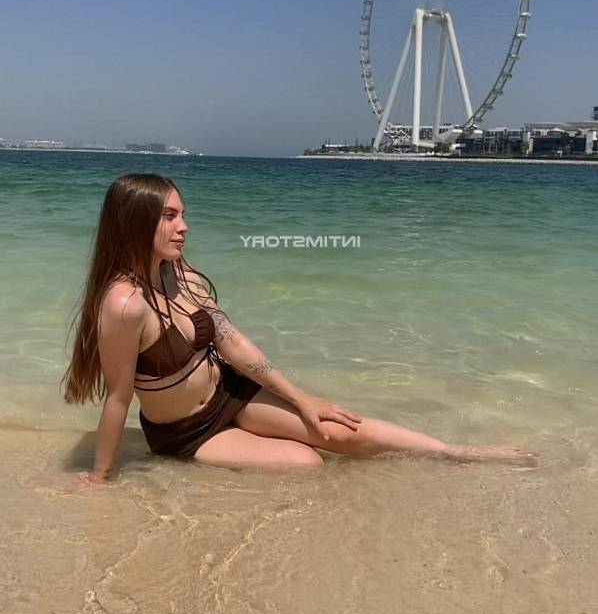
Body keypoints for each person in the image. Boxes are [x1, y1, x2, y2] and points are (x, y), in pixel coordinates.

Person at [62, 173, 537, 484]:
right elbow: (119, 397)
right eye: (169, 216)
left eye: (183, 214)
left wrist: (303, 398)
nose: (184, 226)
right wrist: (100, 478)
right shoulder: (124, 304)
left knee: (335, 430)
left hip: (231, 394)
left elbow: (232, 342)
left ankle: (455, 453)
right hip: (188, 432)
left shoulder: (179, 272)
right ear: (134, 222)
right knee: (306, 464)